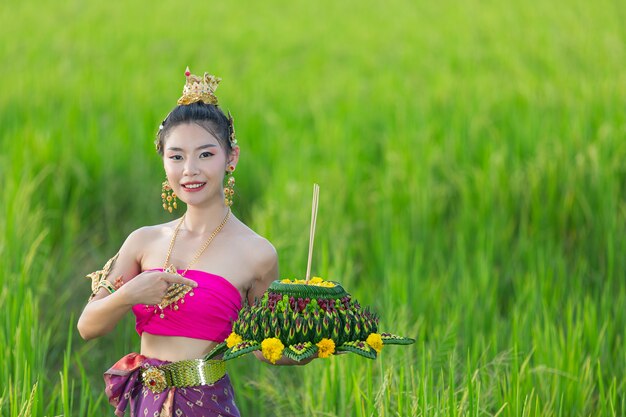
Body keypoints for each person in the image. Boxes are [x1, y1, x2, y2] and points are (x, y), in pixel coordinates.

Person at [78, 68, 304, 417]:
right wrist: (132, 293)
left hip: (207, 405)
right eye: (177, 156)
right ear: (164, 162)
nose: (190, 170)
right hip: (143, 404)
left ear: (231, 158)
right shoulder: (143, 241)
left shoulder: (257, 253)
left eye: (205, 154)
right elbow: (88, 326)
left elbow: (264, 349)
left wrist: (314, 341)